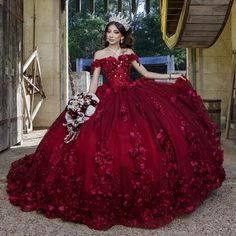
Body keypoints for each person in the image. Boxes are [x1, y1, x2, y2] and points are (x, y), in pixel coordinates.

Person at [7, 13, 225, 230]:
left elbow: (146, 74)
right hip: (107, 97)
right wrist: (85, 103)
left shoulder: (129, 53)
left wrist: (172, 77)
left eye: (115, 32)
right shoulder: (100, 53)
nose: (110, 35)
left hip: (132, 97)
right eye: (108, 31)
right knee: (96, 141)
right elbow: (93, 84)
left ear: (122, 36)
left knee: (140, 141)